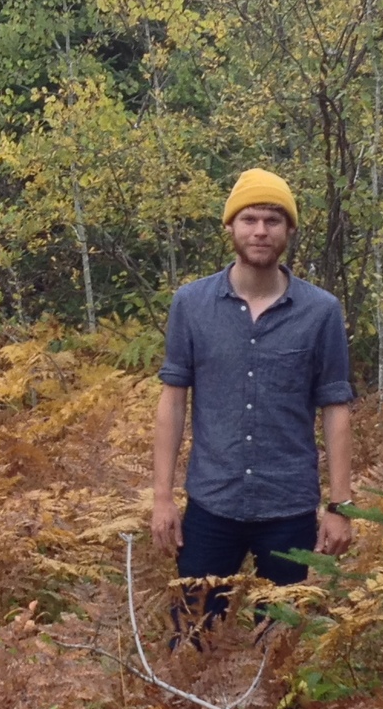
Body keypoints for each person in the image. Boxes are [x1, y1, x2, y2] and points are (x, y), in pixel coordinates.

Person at [148, 169, 356, 608]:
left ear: (289, 230)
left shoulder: (321, 311)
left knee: (279, 645)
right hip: (210, 504)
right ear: (231, 227)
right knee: (194, 637)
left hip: (289, 508)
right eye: (250, 219)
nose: (260, 230)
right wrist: (163, 498)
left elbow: (336, 407)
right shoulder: (192, 304)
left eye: (273, 220)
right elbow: (172, 401)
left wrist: (340, 507)